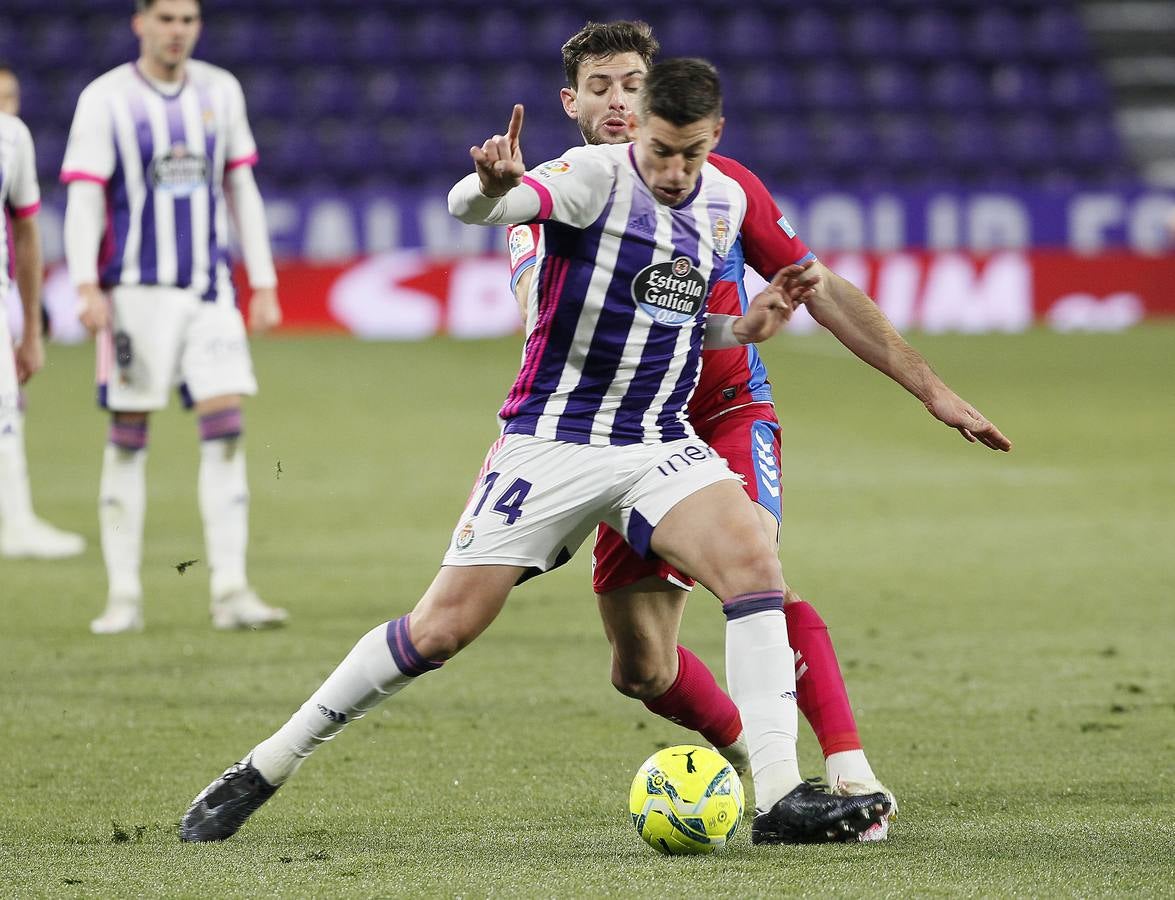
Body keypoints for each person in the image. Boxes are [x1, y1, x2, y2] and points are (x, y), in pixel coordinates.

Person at [180, 59, 894, 847]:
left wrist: (745, 328)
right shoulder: (590, 176)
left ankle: (782, 798)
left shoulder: (723, 201)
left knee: (753, 563)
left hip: (656, 442)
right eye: (659, 149)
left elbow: (663, 317)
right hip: (552, 443)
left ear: (714, 138)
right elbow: (486, 206)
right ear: (640, 130)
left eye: (689, 153)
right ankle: (264, 766)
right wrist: (491, 184)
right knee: (439, 631)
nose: (671, 169)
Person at [509, 21, 1011, 839]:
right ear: (571, 102)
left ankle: (846, 771)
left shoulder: (721, 187)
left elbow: (817, 286)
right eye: (599, 87)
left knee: (757, 573)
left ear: (660, 94)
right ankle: (756, 761)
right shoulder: (554, 196)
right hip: (616, 433)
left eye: (633, 83)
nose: (618, 101)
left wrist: (931, 389)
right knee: (641, 669)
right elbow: (535, 309)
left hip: (723, 411)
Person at [61, 0, 286, 633]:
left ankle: (232, 589)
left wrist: (262, 282)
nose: (176, 31)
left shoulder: (221, 90)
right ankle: (124, 596)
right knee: (129, 439)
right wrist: (85, 284)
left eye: (187, 19)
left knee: (227, 431)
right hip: (135, 296)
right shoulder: (106, 98)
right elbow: (83, 197)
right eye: (165, 18)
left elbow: (240, 187)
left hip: (209, 293)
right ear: (141, 23)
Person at [0, 65, 87, 560]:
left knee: (8, 412)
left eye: (11, 95)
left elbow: (27, 236)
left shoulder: (13, 140)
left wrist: (31, 327)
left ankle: (18, 522)